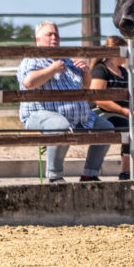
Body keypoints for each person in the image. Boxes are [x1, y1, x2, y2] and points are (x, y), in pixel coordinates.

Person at [17, 21, 112, 183]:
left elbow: (86, 87)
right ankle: (54, 176)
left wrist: (86, 72)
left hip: (80, 118)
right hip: (40, 115)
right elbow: (29, 82)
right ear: (38, 39)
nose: (54, 37)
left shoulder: (67, 60)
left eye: (56, 34)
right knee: (60, 126)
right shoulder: (33, 58)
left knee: (107, 129)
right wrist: (52, 69)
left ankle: (90, 174)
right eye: (49, 34)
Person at [89, 36, 134, 179]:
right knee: (131, 128)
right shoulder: (100, 70)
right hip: (104, 113)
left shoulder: (123, 71)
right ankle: (125, 171)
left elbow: (132, 95)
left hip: (125, 113)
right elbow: (98, 99)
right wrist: (124, 111)